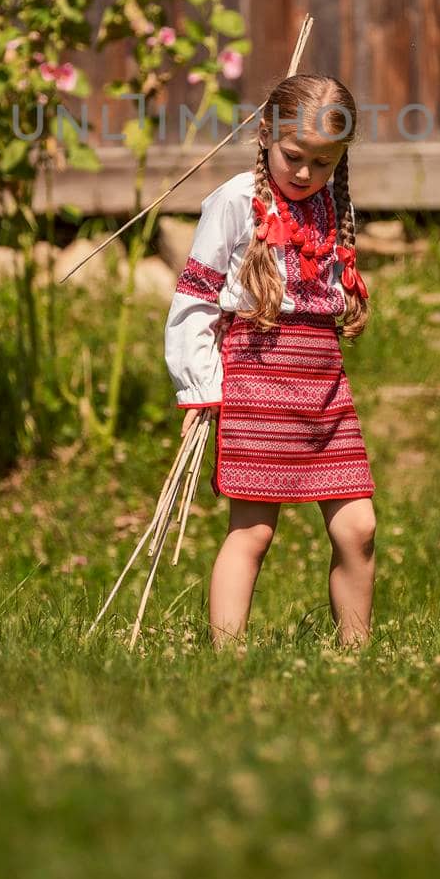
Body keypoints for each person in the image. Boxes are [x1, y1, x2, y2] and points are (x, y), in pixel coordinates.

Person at [163, 73, 376, 652]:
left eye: (324, 163)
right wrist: (199, 390)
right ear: (264, 134)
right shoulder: (237, 200)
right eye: (294, 155)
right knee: (253, 531)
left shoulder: (332, 202)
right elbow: (196, 296)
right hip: (258, 375)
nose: (305, 173)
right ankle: (227, 658)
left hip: (322, 380)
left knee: (358, 527)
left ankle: (357, 655)